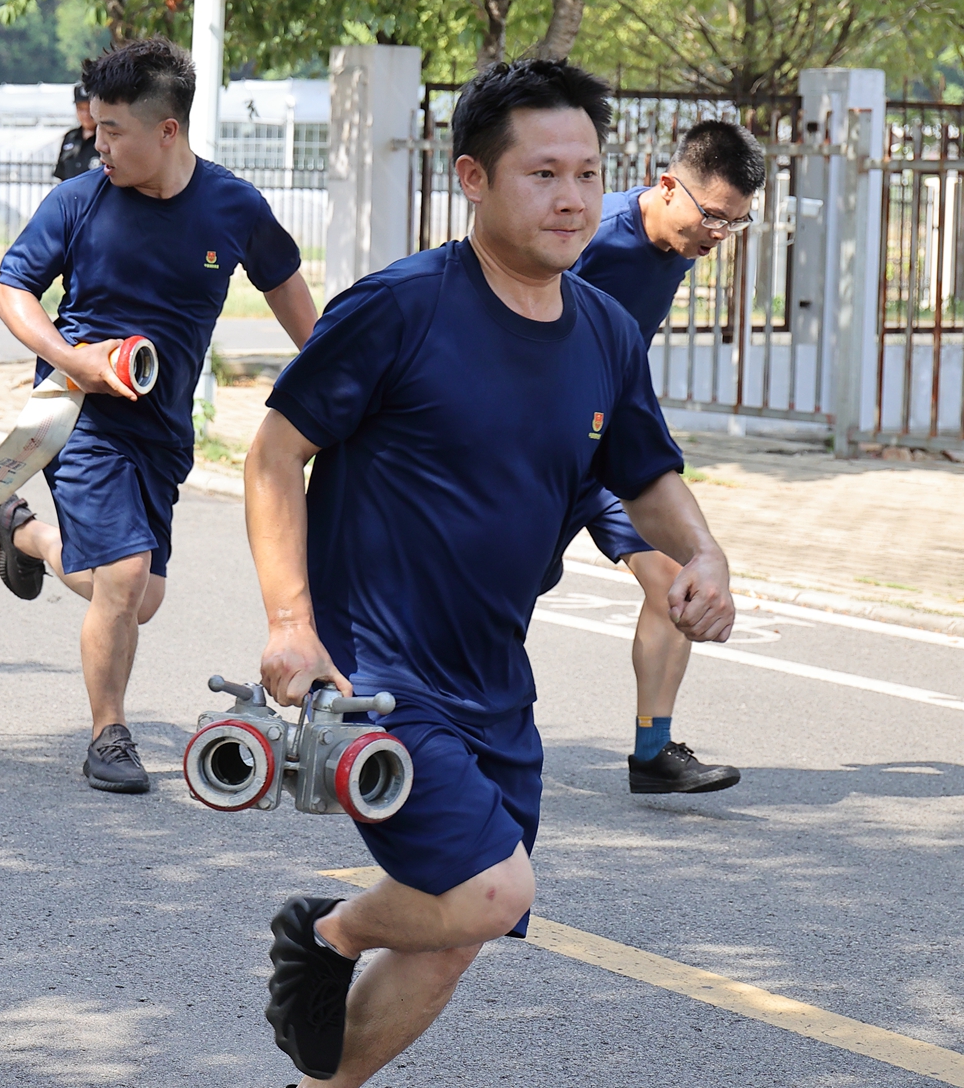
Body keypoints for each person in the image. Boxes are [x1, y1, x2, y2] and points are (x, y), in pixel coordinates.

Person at [243, 60, 736, 1087]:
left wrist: (701, 553)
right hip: (375, 675)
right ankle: (325, 935)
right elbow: (272, 453)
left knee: (450, 938)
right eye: (540, 172)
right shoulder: (399, 308)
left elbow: (642, 471)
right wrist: (290, 623)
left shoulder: (602, 329)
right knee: (490, 891)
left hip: (493, 682)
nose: (568, 198)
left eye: (585, 173)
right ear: (472, 178)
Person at [0, 38, 318, 793]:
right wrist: (73, 360)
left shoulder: (234, 207)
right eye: (94, 127)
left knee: (140, 597)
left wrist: (340, 387)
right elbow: (13, 291)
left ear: (168, 130)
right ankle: (109, 735)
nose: (97, 143)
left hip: (164, 431)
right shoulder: (79, 199)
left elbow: (296, 305)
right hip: (81, 417)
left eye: (113, 130)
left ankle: (24, 533)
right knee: (126, 576)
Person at [552, 120, 764, 794]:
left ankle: (652, 752)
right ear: (667, 186)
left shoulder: (680, 242)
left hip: (611, 448)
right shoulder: (594, 234)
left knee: (675, 579)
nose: (717, 237)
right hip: (543, 443)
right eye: (713, 218)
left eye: (735, 225)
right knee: (498, 587)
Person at [51, 78, 100, 181]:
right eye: (81, 109)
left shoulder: (106, 138)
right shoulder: (70, 137)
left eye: (89, 108)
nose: (86, 114)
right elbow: (61, 175)